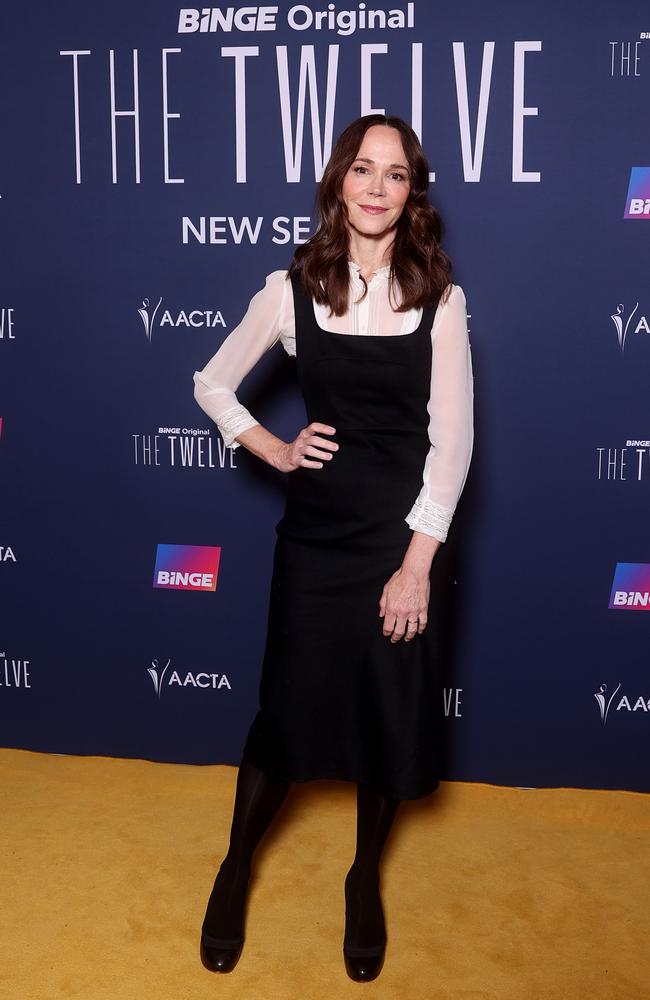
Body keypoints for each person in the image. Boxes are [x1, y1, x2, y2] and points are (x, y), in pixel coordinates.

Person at [192, 113, 474, 981]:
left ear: (411, 192)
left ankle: (362, 881)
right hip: (315, 543)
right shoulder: (292, 289)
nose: (378, 187)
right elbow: (210, 380)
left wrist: (416, 567)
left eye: (396, 174)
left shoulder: (441, 296)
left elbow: (453, 444)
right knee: (283, 717)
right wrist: (272, 446)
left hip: (401, 546)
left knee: (388, 721)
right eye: (363, 169)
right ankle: (237, 866)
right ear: (337, 182)